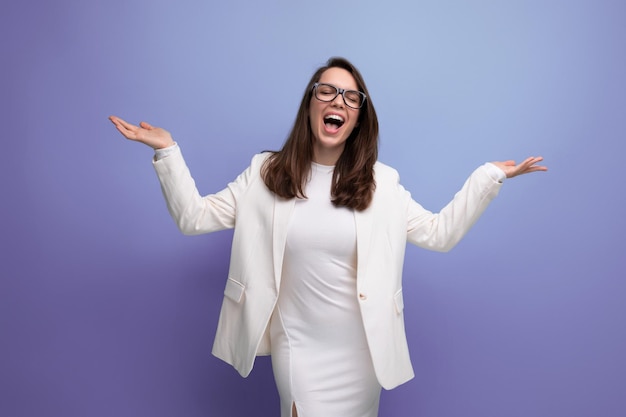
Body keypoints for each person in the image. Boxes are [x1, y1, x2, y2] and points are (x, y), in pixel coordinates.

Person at [109, 57, 547, 417]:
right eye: (327, 90)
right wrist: (167, 152)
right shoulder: (265, 174)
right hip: (297, 346)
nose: (338, 100)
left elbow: (440, 234)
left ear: (357, 118)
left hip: (362, 354)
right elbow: (193, 217)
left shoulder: (382, 184)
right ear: (310, 104)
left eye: (350, 97)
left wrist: (488, 177)